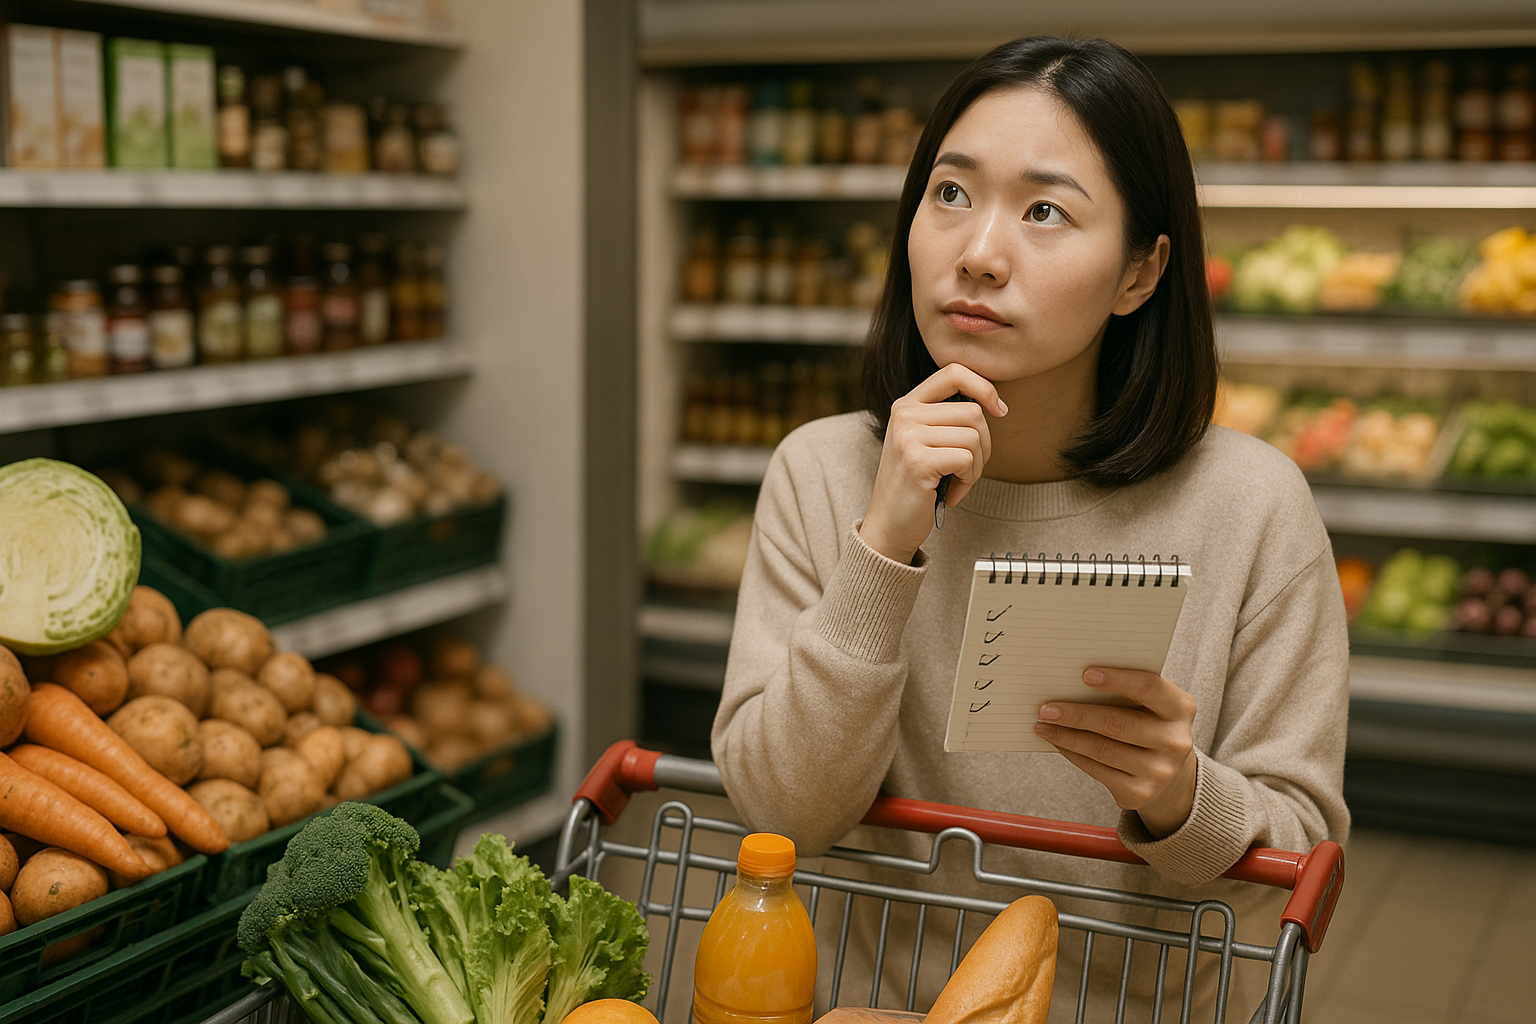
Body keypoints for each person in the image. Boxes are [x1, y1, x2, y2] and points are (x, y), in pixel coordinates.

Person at [711, 35, 1350, 1021]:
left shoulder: (1254, 506)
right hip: (874, 1008)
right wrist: (881, 548)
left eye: (1046, 211)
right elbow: (781, 815)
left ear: (1140, 272)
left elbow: (1298, 850)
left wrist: (1179, 796)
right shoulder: (821, 469)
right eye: (951, 194)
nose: (977, 252)